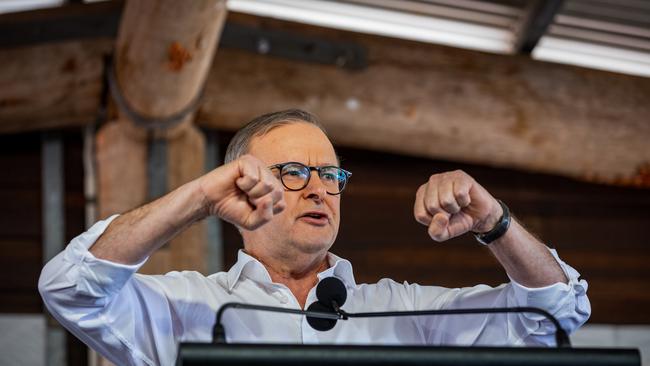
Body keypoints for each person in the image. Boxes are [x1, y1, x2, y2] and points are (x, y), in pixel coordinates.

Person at [39, 109, 590, 365]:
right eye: (294, 174)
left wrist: (496, 223)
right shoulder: (186, 307)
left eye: (331, 175)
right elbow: (71, 288)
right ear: (240, 190)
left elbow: (557, 311)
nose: (319, 191)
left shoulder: (401, 310)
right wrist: (198, 199)